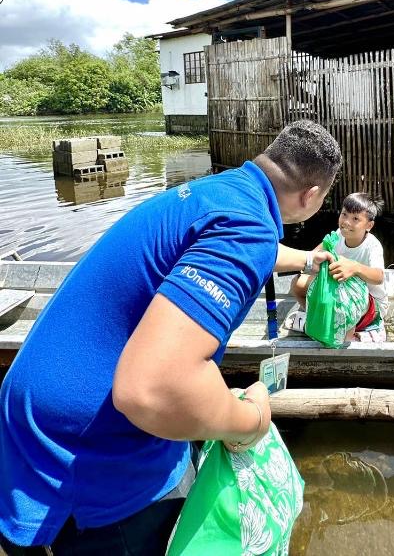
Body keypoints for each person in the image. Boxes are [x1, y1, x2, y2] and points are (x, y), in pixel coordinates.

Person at [0, 120, 341, 555]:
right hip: (86, 453)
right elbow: (152, 389)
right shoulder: (248, 229)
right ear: (312, 196)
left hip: (28, 418)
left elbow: (254, 248)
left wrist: (309, 262)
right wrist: (252, 422)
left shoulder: (220, 193)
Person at [285, 192, 387, 342]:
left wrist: (355, 268)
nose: (346, 222)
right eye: (344, 214)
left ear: (369, 225)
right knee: (297, 284)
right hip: (339, 291)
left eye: (355, 219)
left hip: (368, 303)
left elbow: (379, 277)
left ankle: (343, 333)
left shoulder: (372, 246)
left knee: (343, 307)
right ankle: (318, 318)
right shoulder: (339, 234)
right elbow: (315, 253)